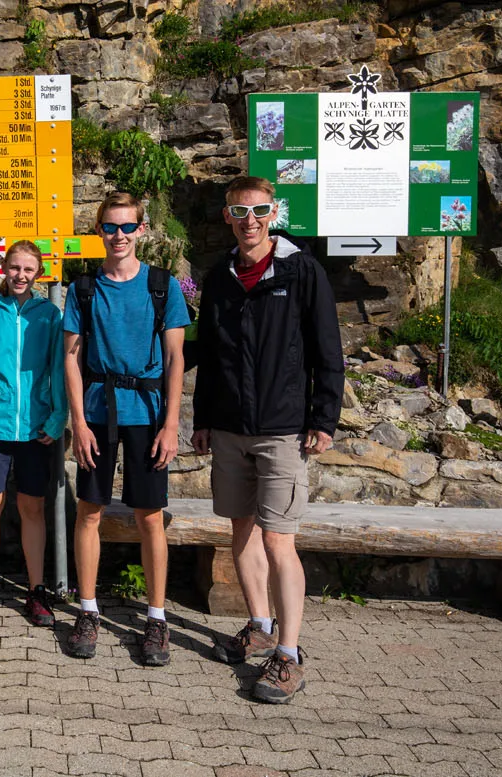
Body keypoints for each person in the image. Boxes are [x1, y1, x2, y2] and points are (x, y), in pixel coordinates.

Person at [191, 176, 343, 703]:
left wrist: (324, 418)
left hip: (282, 430)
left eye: (257, 210)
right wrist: (203, 418)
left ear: (272, 212)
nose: (249, 220)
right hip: (230, 429)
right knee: (241, 531)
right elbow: (210, 355)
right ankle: (258, 624)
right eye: (239, 211)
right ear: (228, 216)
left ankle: (288, 653)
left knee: (279, 539)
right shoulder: (220, 275)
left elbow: (328, 348)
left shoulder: (302, 272)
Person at [61, 192, 189, 663]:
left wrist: (172, 423)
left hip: (149, 415)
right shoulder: (84, 289)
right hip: (97, 412)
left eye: (127, 227)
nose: (119, 236)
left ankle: (156, 619)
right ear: (99, 231)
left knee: (150, 517)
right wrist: (78, 422)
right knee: (89, 511)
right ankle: (88, 610)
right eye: (110, 227)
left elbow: (176, 358)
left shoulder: (162, 286)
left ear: (142, 230)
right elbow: (71, 358)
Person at [0, 240, 67, 627]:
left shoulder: (50, 316)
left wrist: (58, 418)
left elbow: (59, 368)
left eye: (28, 269)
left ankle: (37, 590)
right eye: (14, 268)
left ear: (38, 273)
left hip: (38, 430)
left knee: (32, 509)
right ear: (3, 270)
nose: (21, 275)